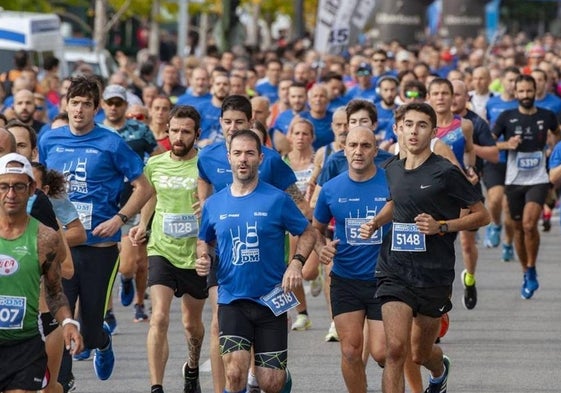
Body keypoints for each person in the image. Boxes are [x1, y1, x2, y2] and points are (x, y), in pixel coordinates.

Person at [360, 102, 489, 393]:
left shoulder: (445, 172)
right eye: (408, 125)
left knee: (420, 354)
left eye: (421, 125)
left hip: (434, 273)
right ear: (399, 130)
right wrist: (377, 222)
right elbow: (397, 203)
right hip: (394, 269)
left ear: (433, 131)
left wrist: (440, 226)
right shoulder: (391, 168)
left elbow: (482, 215)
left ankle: (440, 370)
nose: (414, 131)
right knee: (395, 350)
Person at [38, 75, 153, 382]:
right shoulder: (50, 140)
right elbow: (41, 187)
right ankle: (62, 383)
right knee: (59, 322)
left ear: (96, 108)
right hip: (62, 246)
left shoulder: (111, 143)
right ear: (65, 105)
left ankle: (101, 340)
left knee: (88, 329)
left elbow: (144, 188)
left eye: (86, 105)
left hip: (99, 248)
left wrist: (119, 219)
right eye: (74, 103)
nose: (79, 110)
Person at [197, 95, 304, 393]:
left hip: (271, 297)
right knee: (235, 372)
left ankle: (274, 375)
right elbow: (203, 239)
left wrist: (296, 262)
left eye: (249, 154)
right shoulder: (214, 203)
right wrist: (202, 256)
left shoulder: (277, 199)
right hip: (232, 297)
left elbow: (305, 230)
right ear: (228, 157)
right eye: (237, 154)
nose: (243, 159)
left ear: (260, 157)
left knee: (272, 383)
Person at [129, 105, 207, 393]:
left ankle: (192, 366)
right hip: (161, 248)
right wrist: (142, 224)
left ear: (196, 134)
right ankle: (156, 387)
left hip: (194, 254)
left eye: (186, 132)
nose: (179, 136)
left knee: (191, 324)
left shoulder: (204, 165)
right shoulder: (155, 164)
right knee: (159, 316)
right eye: (174, 130)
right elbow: (149, 195)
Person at [313, 125, 391, 392]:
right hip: (346, 279)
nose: (359, 151)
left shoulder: (391, 183)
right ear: (344, 150)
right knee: (349, 351)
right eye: (353, 146)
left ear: (375, 151)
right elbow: (316, 229)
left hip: (385, 279)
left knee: (382, 352)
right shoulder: (331, 189)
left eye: (365, 146)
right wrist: (320, 248)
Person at [0, 153, 83, 393]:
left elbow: (55, 291)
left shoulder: (46, 238)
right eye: (4, 187)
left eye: (18, 187)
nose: (11, 194)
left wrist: (68, 322)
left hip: (25, 345)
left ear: (32, 188)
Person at [491, 74, 558, 299]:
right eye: (522, 92)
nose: (526, 95)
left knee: (530, 225)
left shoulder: (546, 115)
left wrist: (553, 148)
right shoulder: (506, 117)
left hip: (538, 178)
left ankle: (531, 267)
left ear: (534, 90)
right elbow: (490, 143)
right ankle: (526, 270)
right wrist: (505, 144)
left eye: (529, 91)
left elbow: (557, 133)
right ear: (515, 92)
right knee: (518, 228)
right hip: (514, 180)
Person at [450, 79, 499, 310]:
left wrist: (467, 147)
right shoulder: (430, 122)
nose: (453, 99)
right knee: (442, 247)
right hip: (439, 192)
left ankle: (469, 279)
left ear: (465, 97)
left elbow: (494, 155)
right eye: (449, 94)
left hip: (468, 187)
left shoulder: (474, 123)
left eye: (458, 94)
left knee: (466, 244)